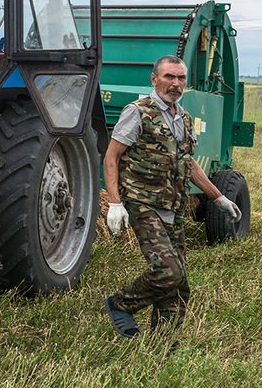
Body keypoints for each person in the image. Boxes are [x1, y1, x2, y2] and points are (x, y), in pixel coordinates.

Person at [102, 55, 241, 339]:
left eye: (180, 78)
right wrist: (115, 203)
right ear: (154, 79)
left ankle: (163, 346)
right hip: (143, 204)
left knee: (179, 285)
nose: (175, 84)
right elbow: (111, 157)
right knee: (168, 271)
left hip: (173, 208)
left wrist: (218, 198)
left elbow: (188, 164)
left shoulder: (184, 118)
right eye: (169, 77)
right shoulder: (137, 112)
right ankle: (120, 304)